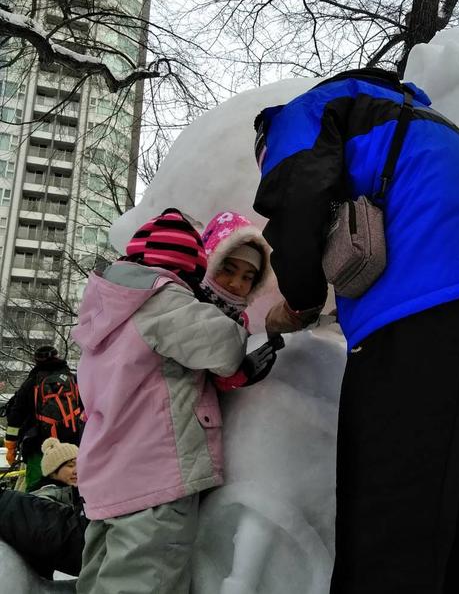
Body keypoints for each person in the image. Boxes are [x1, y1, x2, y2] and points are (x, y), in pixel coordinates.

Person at [253, 68, 459, 594]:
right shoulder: (426, 121)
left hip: (420, 309)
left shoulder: (303, 114)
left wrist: (297, 303)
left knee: (391, 515)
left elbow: (297, 200)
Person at [71, 208, 252, 594]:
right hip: (155, 477)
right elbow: (223, 347)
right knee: (145, 580)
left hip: (108, 480)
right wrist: (238, 332)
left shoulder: (105, 308)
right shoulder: (161, 300)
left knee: (101, 580)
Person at [199, 210, 279, 390]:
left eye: (247, 277)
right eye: (228, 269)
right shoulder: (185, 303)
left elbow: (212, 383)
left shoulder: (240, 321)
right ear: (210, 261)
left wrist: (248, 370)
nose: (236, 283)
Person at [0, 437, 86, 579]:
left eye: (79, 464)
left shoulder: (75, 492)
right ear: (53, 472)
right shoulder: (43, 501)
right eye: (70, 466)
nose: (77, 470)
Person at [4, 345, 82, 492]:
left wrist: (10, 446)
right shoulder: (74, 380)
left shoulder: (32, 383)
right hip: (72, 447)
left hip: (38, 446)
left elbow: (15, 417)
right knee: (73, 488)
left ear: (36, 360)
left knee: (36, 489)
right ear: (58, 356)